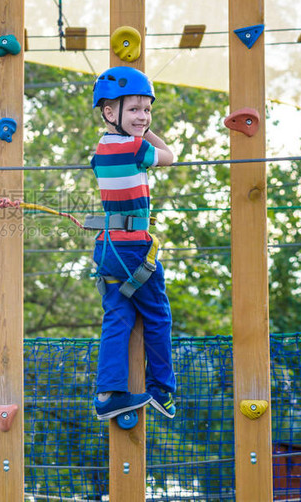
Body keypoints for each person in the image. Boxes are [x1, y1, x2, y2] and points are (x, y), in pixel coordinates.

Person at [87, 66, 177, 420]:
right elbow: (170, 156)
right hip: (134, 248)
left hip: (108, 247)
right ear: (110, 113)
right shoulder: (137, 147)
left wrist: (136, 124)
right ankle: (162, 391)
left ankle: (108, 393)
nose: (143, 117)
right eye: (135, 109)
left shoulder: (101, 148)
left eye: (147, 110)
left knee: (119, 315)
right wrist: (148, 132)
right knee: (157, 315)